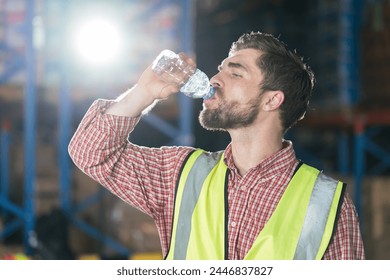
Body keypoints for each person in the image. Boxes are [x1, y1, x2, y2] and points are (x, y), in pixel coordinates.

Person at [68, 31, 365, 260]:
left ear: (272, 100)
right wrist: (145, 92)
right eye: (220, 69)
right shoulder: (180, 175)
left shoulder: (328, 204)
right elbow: (90, 151)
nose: (214, 79)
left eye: (235, 73)